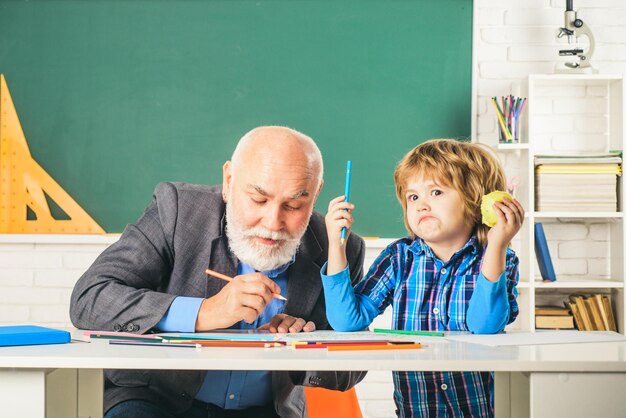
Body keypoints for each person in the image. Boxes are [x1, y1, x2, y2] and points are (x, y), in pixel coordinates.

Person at [70, 126, 366, 418]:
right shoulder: (178, 210)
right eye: (259, 199)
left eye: (293, 205)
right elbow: (90, 297)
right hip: (156, 400)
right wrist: (205, 312)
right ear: (228, 180)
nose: (273, 222)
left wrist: (300, 348)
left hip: (265, 411)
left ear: (316, 194)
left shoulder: (340, 248)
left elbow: (352, 368)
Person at [321, 139, 524, 417]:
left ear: (476, 200)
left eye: (436, 192)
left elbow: (485, 327)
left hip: (480, 410)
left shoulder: (499, 258)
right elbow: (347, 321)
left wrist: (498, 244)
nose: (421, 205)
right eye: (413, 197)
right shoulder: (399, 258)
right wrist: (335, 244)